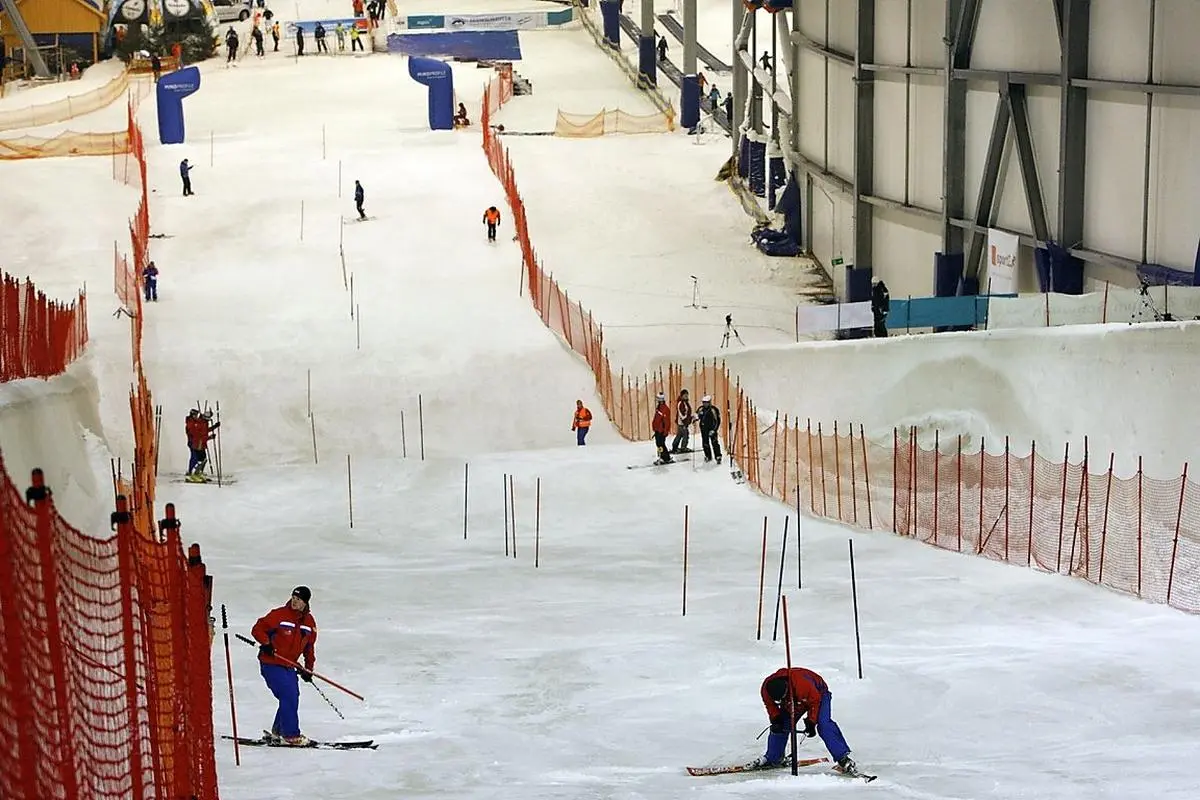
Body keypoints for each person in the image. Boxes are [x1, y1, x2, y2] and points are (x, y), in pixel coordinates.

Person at [757, 667, 859, 776]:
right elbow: (770, 705)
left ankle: (843, 758)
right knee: (781, 726)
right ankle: (773, 758)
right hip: (793, 699)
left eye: (782, 698)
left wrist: (811, 722)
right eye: (779, 701)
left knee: (824, 724)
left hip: (818, 695)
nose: (780, 702)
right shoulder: (766, 689)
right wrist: (776, 719)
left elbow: (815, 702)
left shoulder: (802, 684)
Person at [252, 587, 318, 747]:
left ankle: (278, 732)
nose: (295, 601)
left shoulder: (309, 623)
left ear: (305, 602)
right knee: (289, 695)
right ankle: (290, 735)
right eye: (293, 597)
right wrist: (266, 643)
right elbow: (257, 629)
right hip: (271, 663)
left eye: (299, 599)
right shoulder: (279, 615)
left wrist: (308, 669)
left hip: (289, 665)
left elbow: (309, 648)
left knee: (291, 696)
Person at [185, 409, 219, 481]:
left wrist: (214, 427)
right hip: (197, 444)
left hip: (200, 443)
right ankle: (192, 474)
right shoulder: (197, 423)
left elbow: (205, 431)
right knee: (196, 459)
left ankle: (198, 473)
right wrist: (210, 437)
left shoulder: (202, 422)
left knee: (203, 459)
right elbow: (199, 435)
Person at [696, 395, 721, 464]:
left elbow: (718, 421)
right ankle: (708, 456)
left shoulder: (714, 409)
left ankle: (718, 456)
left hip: (712, 429)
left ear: (710, 402)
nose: (705, 404)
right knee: (705, 443)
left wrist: (714, 430)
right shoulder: (701, 409)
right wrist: (695, 418)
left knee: (714, 443)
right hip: (704, 429)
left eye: (706, 402)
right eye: (704, 402)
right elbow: (696, 415)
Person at [651, 392, 673, 464]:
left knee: (661, 444)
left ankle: (665, 457)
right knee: (659, 444)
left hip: (661, 431)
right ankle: (662, 456)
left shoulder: (665, 409)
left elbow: (667, 421)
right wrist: (654, 426)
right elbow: (656, 418)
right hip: (658, 430)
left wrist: (666, 431)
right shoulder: (659, 408)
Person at [670, 389, 692, 453]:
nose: (686, 396)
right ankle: (683, 447)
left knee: (679, 435)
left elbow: (687, 413)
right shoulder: (680, 403)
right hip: (682, 423)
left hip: (683, 422)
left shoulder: (685, 402)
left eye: (687, 395)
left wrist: (690, 418)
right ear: (682, 396)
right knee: (685, 435)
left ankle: (675, 447)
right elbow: (682, 414)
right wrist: (685, 422)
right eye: (685, 395)